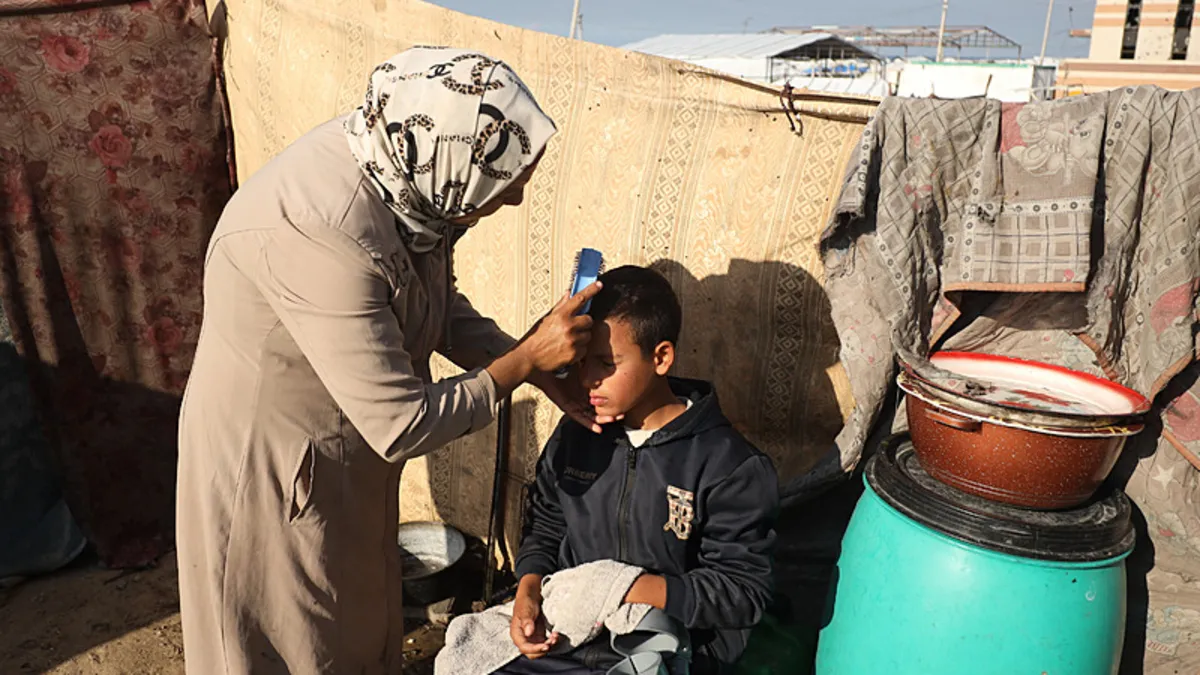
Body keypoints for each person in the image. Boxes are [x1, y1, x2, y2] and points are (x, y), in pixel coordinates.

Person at [175, 48, 615, 675]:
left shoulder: (408, 173)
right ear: (454, 165)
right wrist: (517, 366)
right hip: (269, 471)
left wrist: (531, 364)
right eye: (506, 182)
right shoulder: (319, 232)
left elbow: (427, 301)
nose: (513, 200)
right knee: (285, 637)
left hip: (341, 447)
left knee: (348, 620)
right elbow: (400, 423)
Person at [500, 266, 780, 675]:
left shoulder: (728, 465)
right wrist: (528, 592)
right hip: (569, 638)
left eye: (606, 363)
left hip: (672, 649)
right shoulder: (578, 434)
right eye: (580, 362)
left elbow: (742, 590)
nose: (588, 379)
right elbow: (546, 526)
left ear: (661, 357)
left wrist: (621, 588)